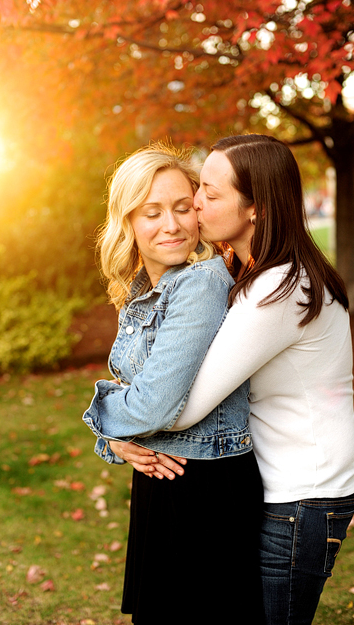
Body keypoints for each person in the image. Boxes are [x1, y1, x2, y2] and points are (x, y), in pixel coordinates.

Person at [113, 134, 354, 625]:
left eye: (210, 192)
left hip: (303, 496)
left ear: (256, 208)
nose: (196, 204)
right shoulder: (255, 272)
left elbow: (180, 405)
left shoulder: (275, 290)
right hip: (288, 484)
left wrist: (114, 428)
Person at [81, 143, 265, 624]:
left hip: (205, 487)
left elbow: (152, 407)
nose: (172, 225)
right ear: (129, 223)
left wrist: (105, 426)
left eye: (184, 208)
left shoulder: (200, 284)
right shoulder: (145, 290)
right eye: (152, 212)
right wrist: (117, 442)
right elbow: (144, 406)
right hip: (164, 479)